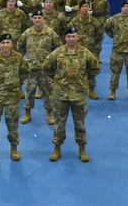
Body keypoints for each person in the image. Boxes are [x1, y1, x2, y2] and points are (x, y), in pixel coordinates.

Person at [44, 27, 100, 162]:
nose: (71, 39)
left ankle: (82, 149)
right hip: (61, 95)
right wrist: (58, 80)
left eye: (73, 36)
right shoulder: (57, 53)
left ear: (78, 37)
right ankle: (57, 148)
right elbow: (47, 67)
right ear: (65, 38)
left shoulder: (85, 53)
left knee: (80, 123)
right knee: (59, 123)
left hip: (79, 95)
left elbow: (95, 68)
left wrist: (84, 80)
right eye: (68, 36)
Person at [0, 33, 30, 161]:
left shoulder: (18, 58)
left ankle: (14, 148)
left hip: (13, 97)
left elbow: (26, 71)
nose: (5, 45)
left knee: (13, 124)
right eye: (3, 43)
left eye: (8, 43)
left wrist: (17, 82)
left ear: (11, 44)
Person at [17, 10, 62, 123]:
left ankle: (49, 114)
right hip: (31, 69)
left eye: (39, 18)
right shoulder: (27, 33)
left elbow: (59, 48)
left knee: (48, 93)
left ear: (43, 19)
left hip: (45, 69)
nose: (37, 20)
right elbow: (20, 47)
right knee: (29, 92)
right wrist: (26, 60)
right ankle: (27, 113)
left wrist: (52, 62)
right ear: (32, 19)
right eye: (35, 18)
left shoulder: (50, 32)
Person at [69, 0, 104, 99]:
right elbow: (68, 36)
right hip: (76, 50)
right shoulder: (74, 21)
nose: (85, 8)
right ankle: (75, 90)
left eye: (86, 6)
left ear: (89, 8)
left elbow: (99, 35)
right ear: (79, 9)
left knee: (91, 70)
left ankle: (91, 90)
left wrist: (96, 49)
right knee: (74, 70)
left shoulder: (94, 21)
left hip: (90, 50)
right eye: (83, 7)